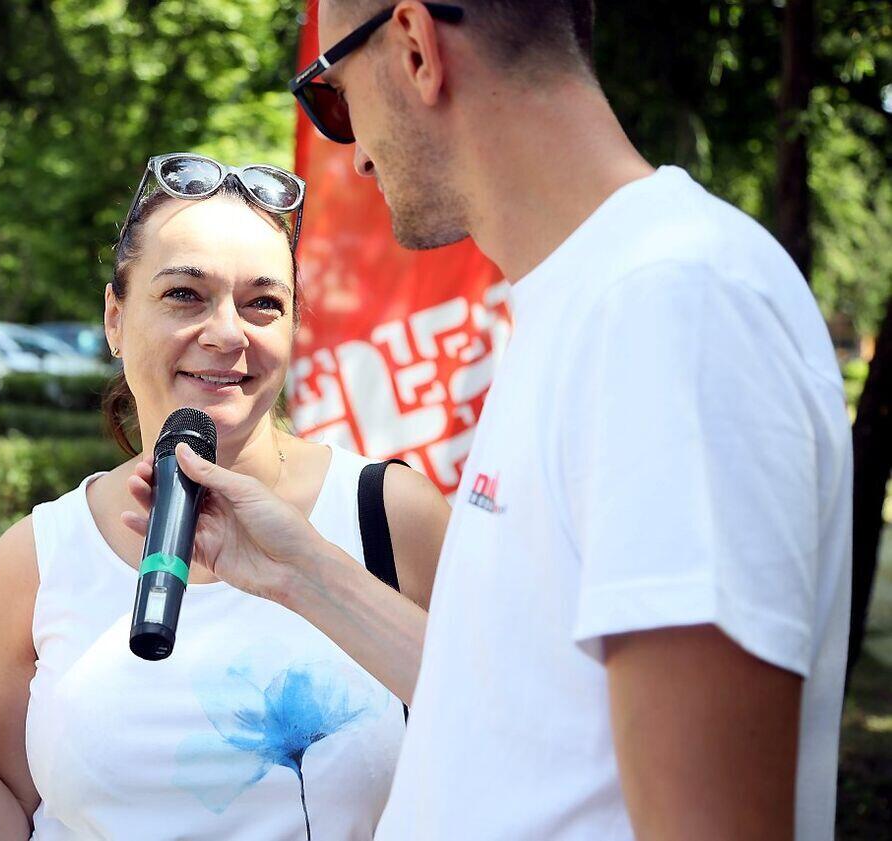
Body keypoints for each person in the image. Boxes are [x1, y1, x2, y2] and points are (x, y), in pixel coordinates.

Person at [130, 2, 853, 839]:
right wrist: (298, 570)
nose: (352, 151)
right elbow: (524, 707)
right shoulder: (593, 300)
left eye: (333, 94)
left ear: (415, 47)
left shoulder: (669, 303)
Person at [0, 152, 450, 839]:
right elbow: (0, 826)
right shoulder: (39, 557)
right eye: (185, 294)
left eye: (263, 303)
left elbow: (505, 740)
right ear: (115, 318)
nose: (227, 333)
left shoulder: (393, 517)